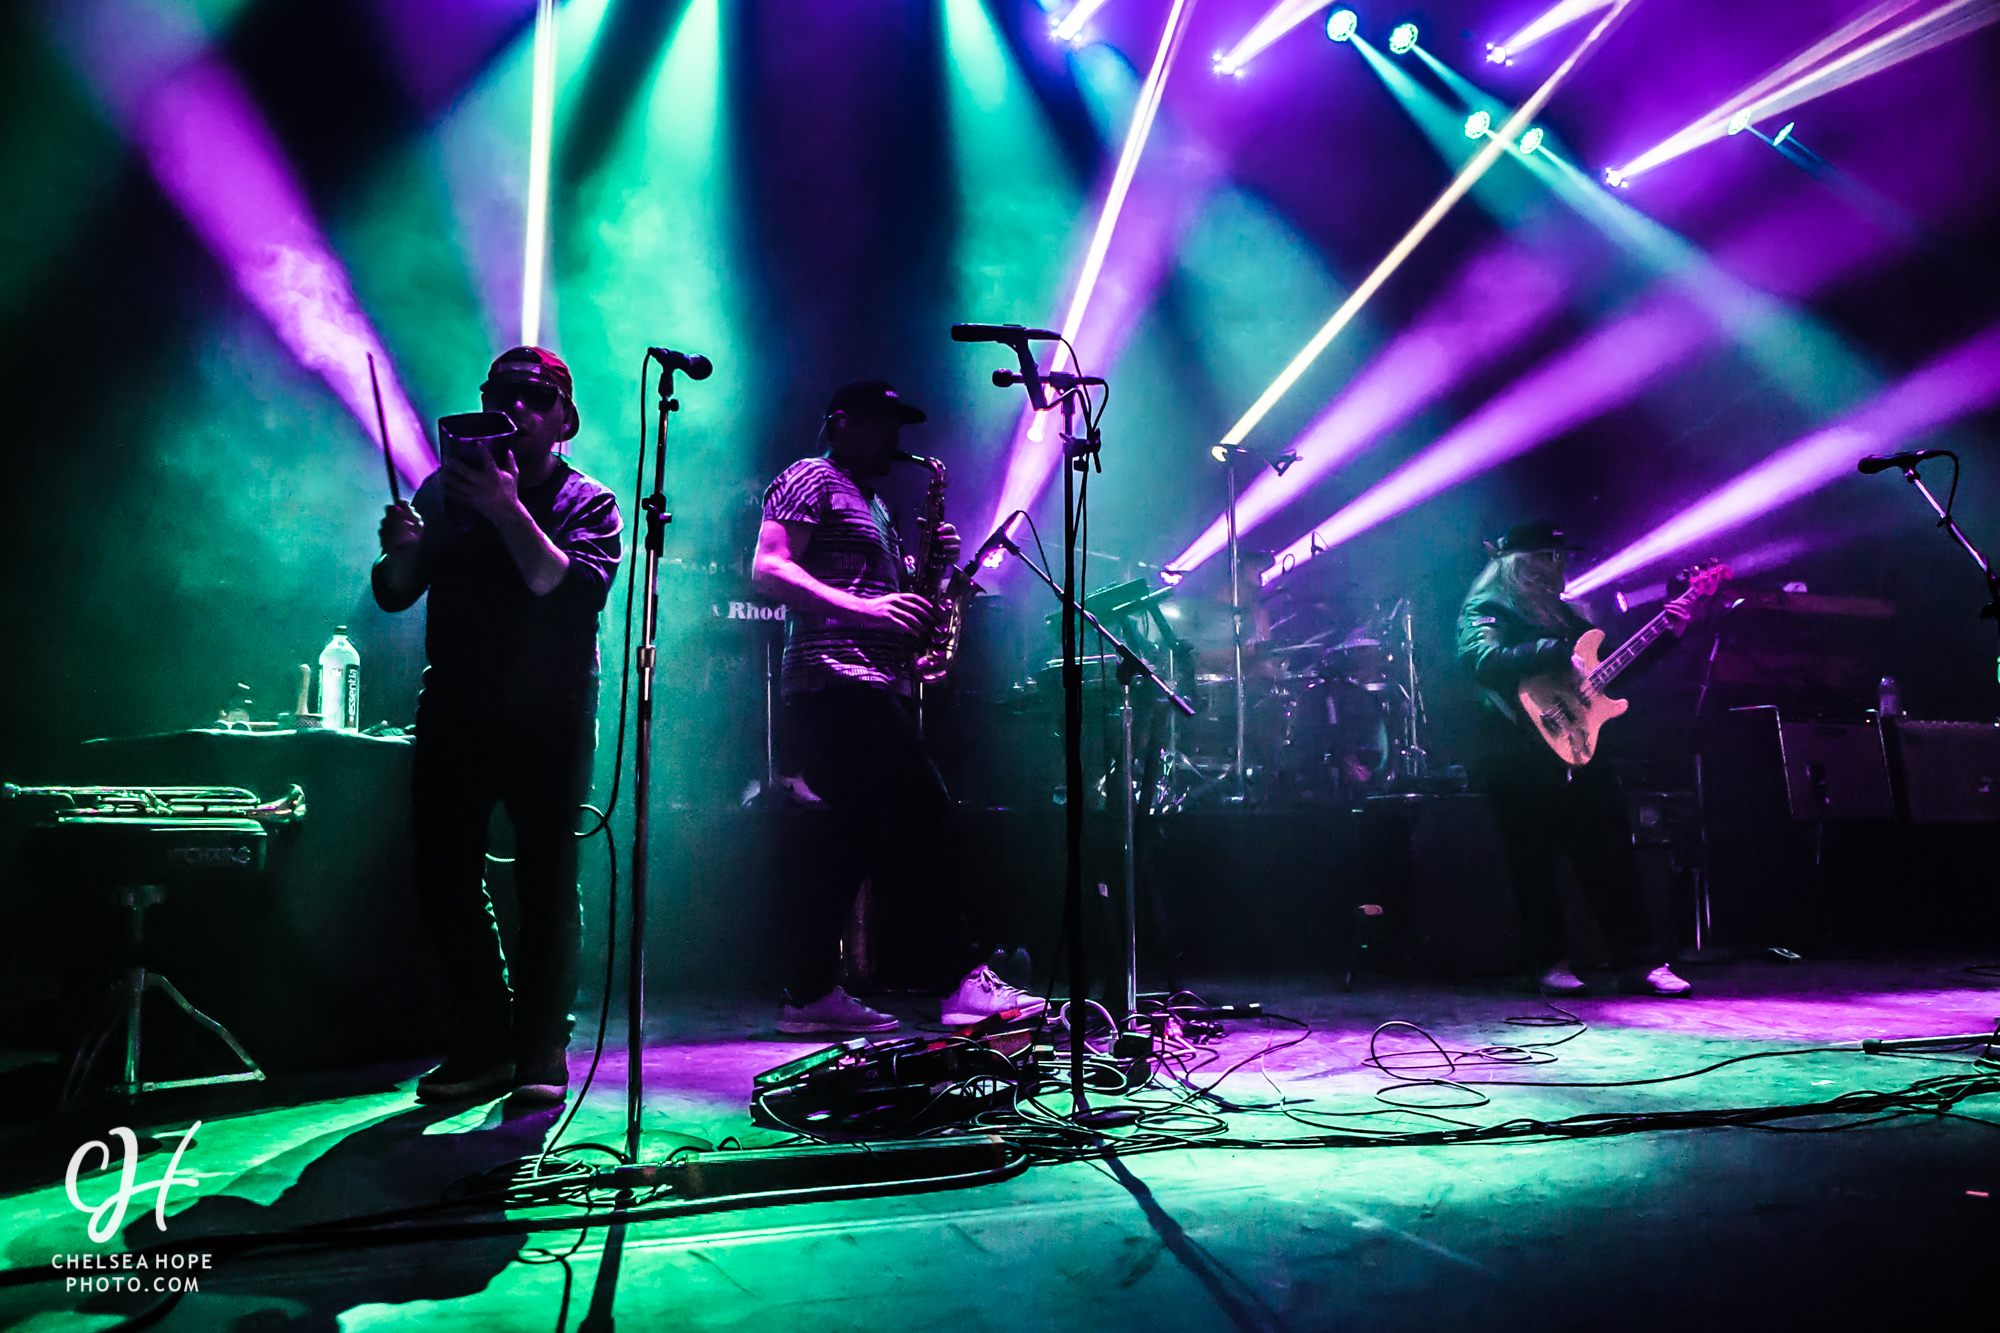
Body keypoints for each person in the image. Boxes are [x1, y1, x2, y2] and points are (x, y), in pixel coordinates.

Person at [752, 379, 1042, 1033]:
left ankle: (807, 993)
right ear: (841, 423)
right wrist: (867, 609)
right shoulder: (810, 477)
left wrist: (929, 574)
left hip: (869, 681)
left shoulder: (875, 504)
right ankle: (957, 977)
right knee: (924, 808)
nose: (895, 438)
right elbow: (769, 568)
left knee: (851, 840)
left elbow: (890, 601)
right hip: (832, 680)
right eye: (882, 423)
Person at [373, 347, 622, 1101]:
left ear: (564, 419)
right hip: (456, 704)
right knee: (442, 870)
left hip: (550, 713)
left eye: (534, 397)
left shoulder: (590, 503)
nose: (514, 408)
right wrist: (403, 551)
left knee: (546, 877)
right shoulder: (443, 491)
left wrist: (506, 508)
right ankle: (485, 1033)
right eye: (500, 394)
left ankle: (541, 1043)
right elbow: (396, 592)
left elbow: (559, 585)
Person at [1454, 519, 1692, 997]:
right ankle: (1548, 961)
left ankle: (1639, 962)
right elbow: (1480, 660)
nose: (1560, 566)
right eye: (1549, 557)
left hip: (1580, 748)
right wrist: (1552, 650)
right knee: (1534, 862)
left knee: (1612, 856)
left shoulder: (1568, 616)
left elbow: (1607, 672)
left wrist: (1668, 634)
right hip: (1518, 752)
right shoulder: (1488, 608)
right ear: (1523, 564)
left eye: (1561, 558)